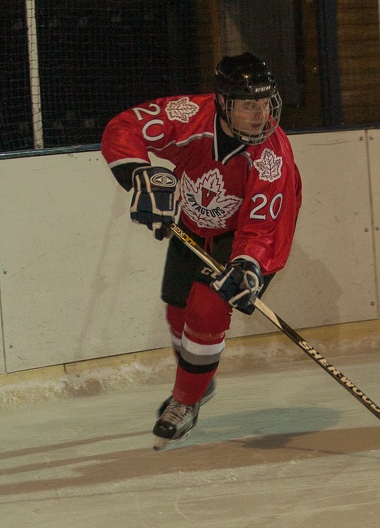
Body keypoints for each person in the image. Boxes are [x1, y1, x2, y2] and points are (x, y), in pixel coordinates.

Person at [101, 53, 303, 449]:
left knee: (207, 308)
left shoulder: (272, 159)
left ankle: (185, 401)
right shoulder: (187, 116)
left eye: (264, 103)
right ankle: (199, 379)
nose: (259, 114)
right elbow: (124, 126)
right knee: (176, 308)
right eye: (248, 105)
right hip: (192, 225)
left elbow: (264, 227)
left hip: (243, 239)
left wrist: (248, 266)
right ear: (223, 102)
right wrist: (140, 173)